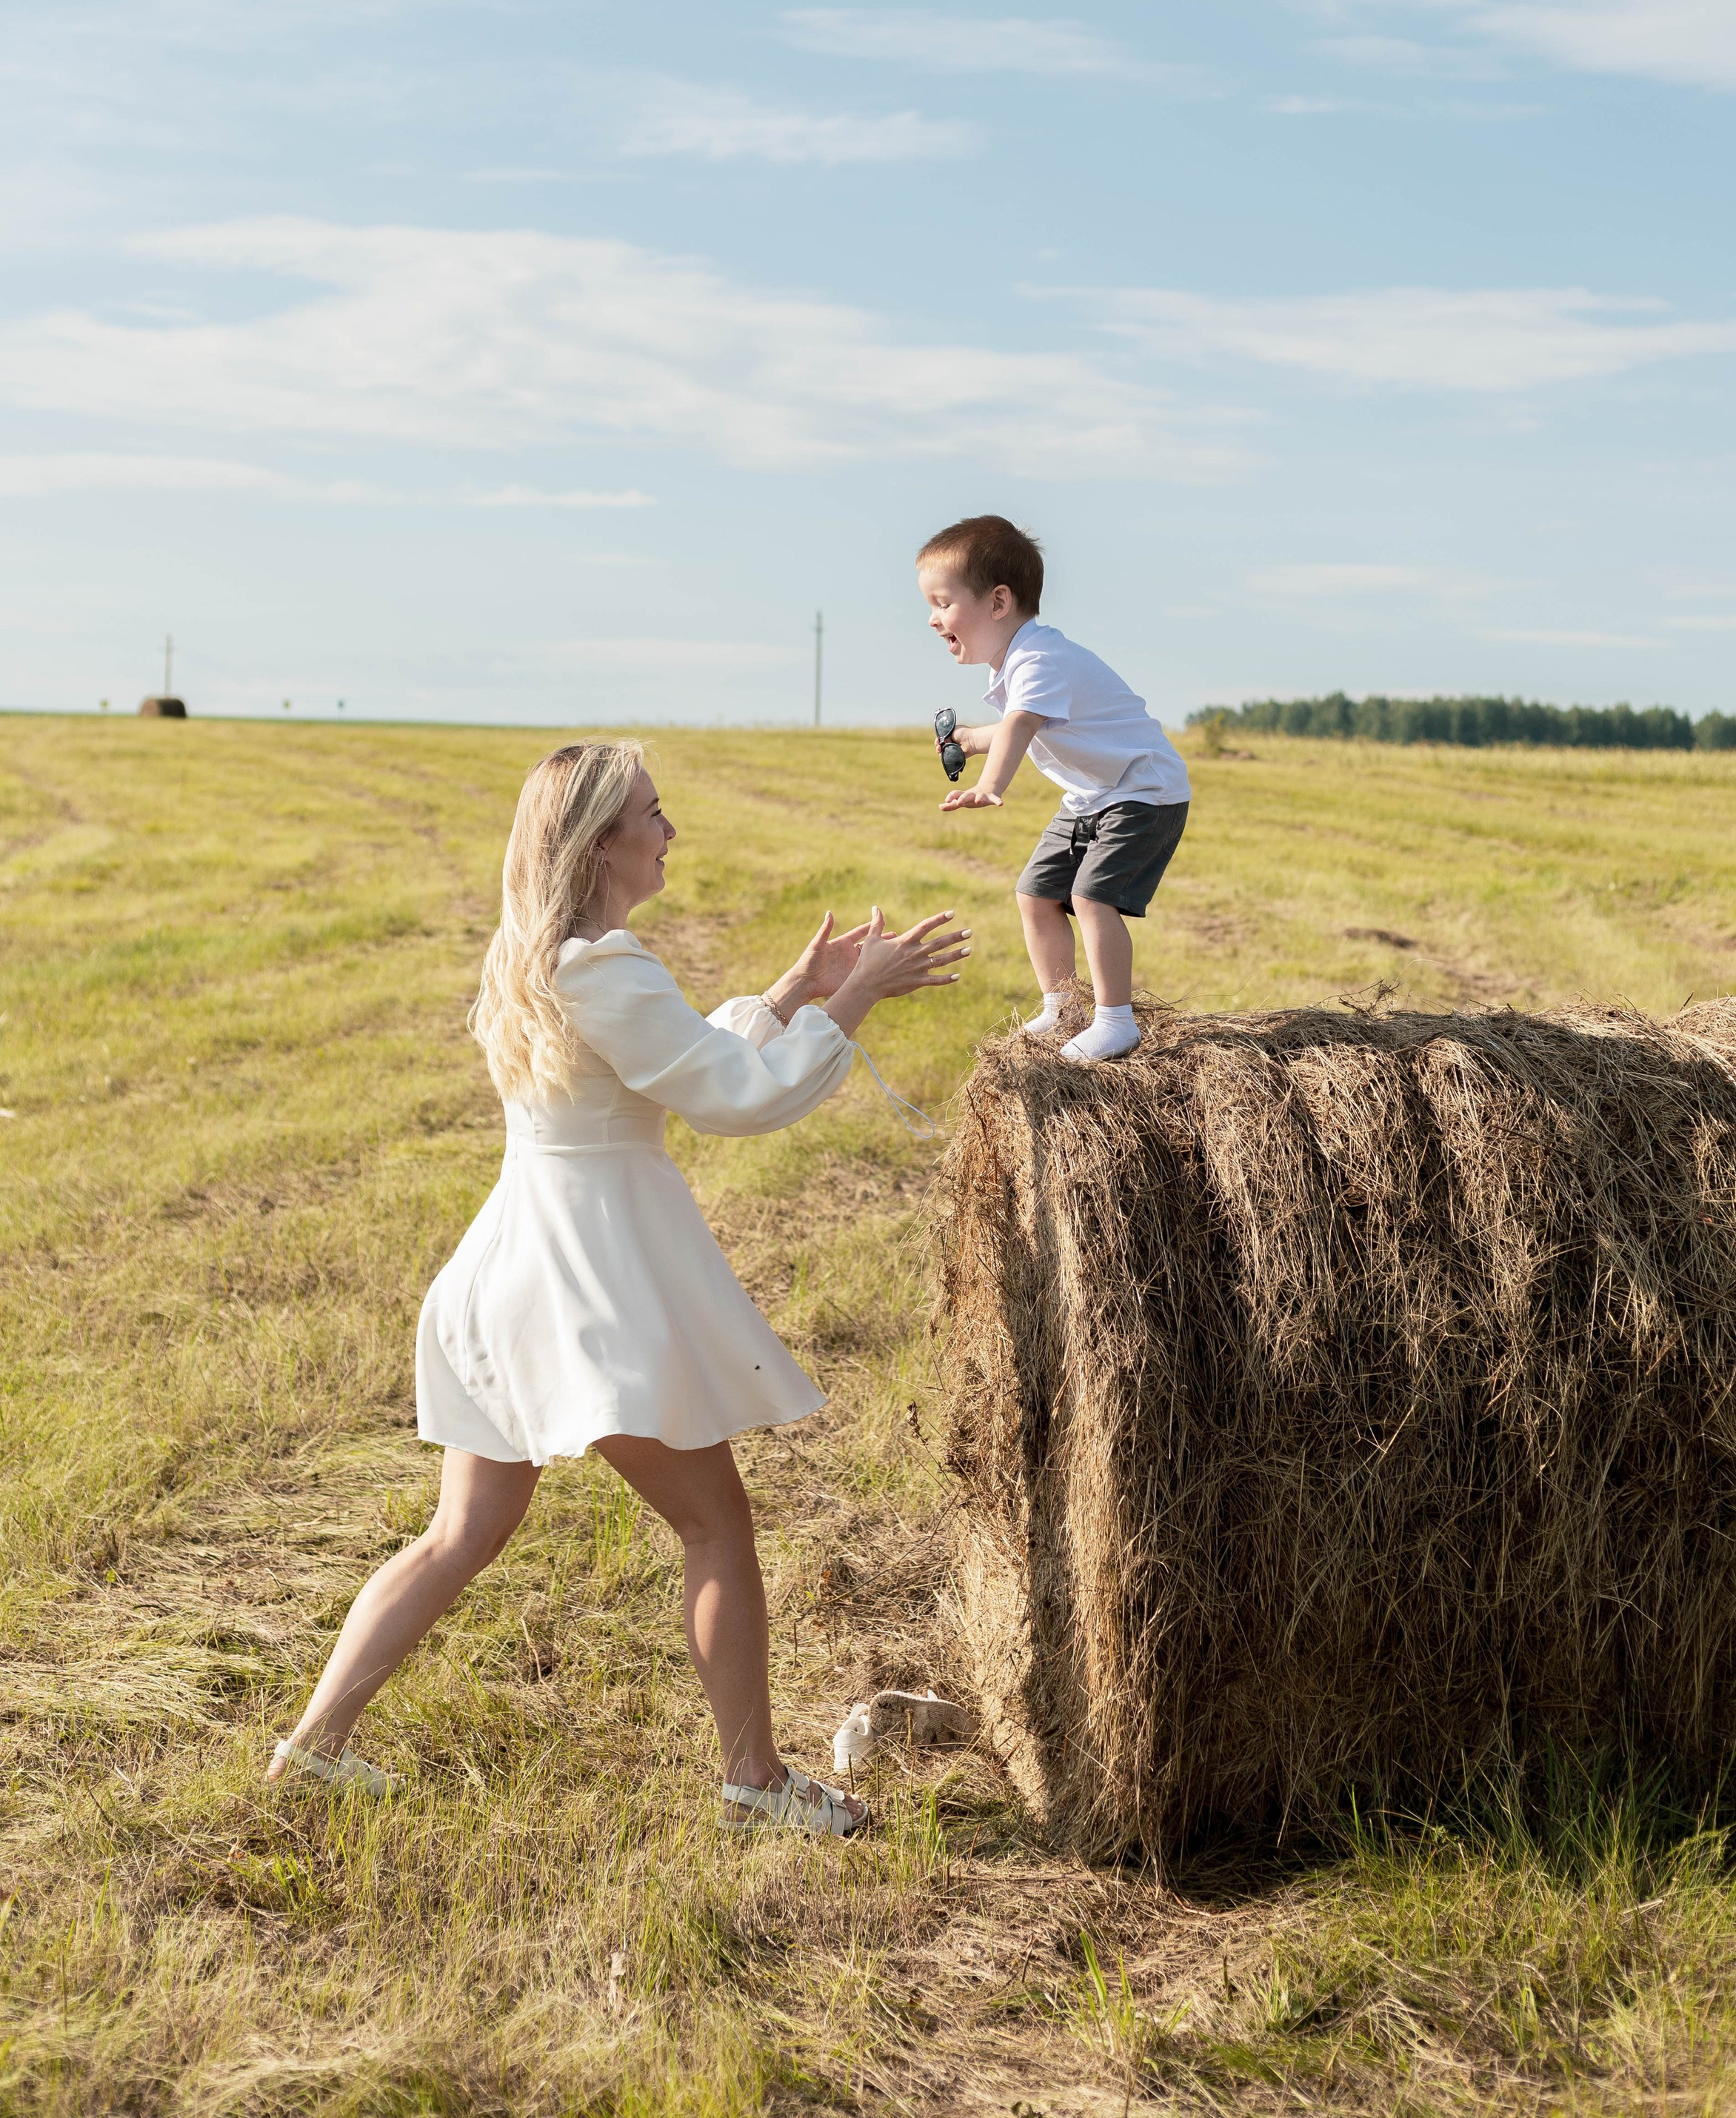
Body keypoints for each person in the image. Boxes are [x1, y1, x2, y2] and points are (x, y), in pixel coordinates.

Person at [267, 739, 967, 1835]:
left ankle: (313, 1749)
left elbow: (680, 1058)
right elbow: (733, 1097)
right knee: (717, 1528)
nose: (670, 828)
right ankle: (757, 1782)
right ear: (602, 843)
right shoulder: (605, 966)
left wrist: (792, 991)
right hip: (590, 1287)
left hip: (514, 1268)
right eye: (654, 811)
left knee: (463, 1531)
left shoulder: (543, 957)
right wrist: (853, 1003)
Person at [918, 514, 1189, 1064]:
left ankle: (1116, 1021)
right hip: (1094, 796)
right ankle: (1063, 1009)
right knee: (1036, 894)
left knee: (1092, 896)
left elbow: (1021, 725)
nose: (932, 619)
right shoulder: (1021, 664)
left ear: (997, 602)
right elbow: (1027, 721)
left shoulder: (1040, 658)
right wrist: (969, 740)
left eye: (943, 603)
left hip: (1143, 790)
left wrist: (992, 785)